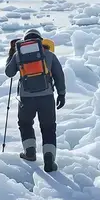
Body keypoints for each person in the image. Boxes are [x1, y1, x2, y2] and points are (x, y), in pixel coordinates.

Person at [5, 29, 66, 172]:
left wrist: (11, 54)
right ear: (40, 40)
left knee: (25, 124)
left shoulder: (18, 55)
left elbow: (9, 73)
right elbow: (59, 75)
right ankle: (49, 159)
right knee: (48, 128)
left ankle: (30, 153)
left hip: (26, 98)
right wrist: (61, 94)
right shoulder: (49, 54)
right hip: (47, 98)